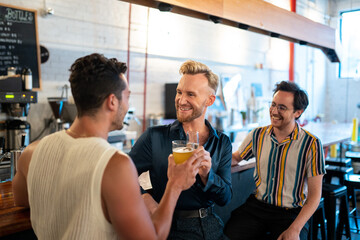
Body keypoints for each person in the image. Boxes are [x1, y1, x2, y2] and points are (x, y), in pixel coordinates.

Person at [12, 53, 203, 240]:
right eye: (127, 96)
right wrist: (175, 185)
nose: (128, 104)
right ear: (112, 101)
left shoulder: (31, 153)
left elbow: (21, 199)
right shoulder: (115, 165)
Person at [129, 60, 233, 240]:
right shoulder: (154, 137)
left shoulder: (222, 142)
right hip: (171, 227)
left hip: (211, 225)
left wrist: (208, 175)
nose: (181, 100)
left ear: (210, 100)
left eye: (190, 94)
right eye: (179, 92)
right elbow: (124, 173)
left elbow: (225, 198)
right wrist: (144, 196)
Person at [224, 81, 326, 240]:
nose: (274, 111)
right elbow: (236, 158)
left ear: (298, 112)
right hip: (257, 207)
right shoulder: (257, 135)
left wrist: (295, 229)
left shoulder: (311, 144)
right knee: (229, 236)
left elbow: (314, 196)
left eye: (282, 107)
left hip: (290, 212)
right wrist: (209, 160)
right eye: (273, 105)